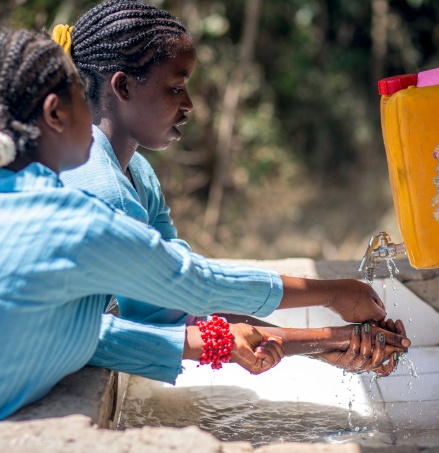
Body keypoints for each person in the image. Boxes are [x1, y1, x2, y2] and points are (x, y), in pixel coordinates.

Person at [0, 28, 403, 452]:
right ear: (57, 113)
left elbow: (88, 335)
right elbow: (193, 283)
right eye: (84, 94)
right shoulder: (73, 221)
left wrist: (291, 341)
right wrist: (334, 293)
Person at [54, 0, 410, 374]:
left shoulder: (137, 176)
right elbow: (189, 287)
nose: (189, 104)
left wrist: (327, 343)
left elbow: (169, 307)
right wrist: (335, 296)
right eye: (176, 88)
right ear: (123, 86)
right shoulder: (98, 183)